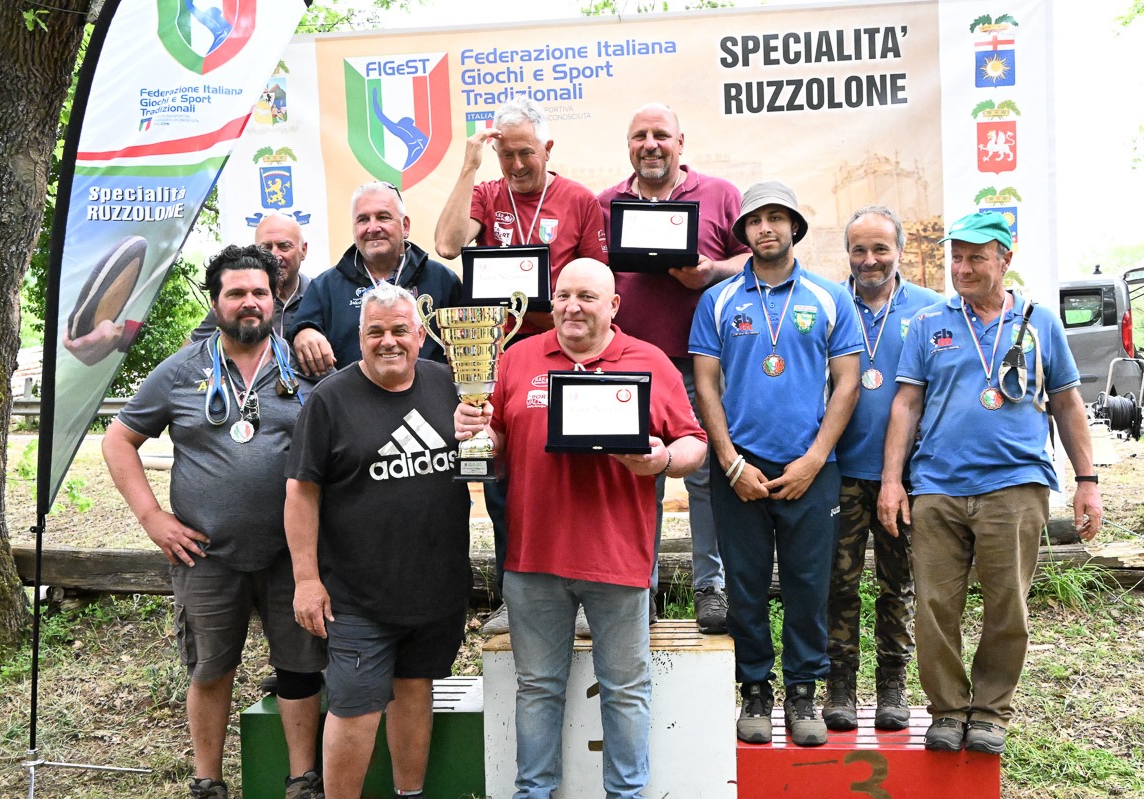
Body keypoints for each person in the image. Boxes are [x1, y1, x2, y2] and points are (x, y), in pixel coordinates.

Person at [454, 259, 706, 799]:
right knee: (537, 689)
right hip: (532, 559)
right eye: (564, 295)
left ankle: (627, 794)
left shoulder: (649, 361)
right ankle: (533, 792)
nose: (572, 307)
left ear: (613, 305)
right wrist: (474, 430)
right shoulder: (516, 358)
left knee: (625, 690)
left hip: (618, 559)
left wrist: (661, 460)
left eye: (587, 297)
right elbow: (495, 439)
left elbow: (693, 443)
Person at [102, 245, 326, 799]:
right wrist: (153, 518)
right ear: (216, 301)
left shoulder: (306, 369)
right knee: (209, 669)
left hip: (292, 557)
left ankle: (303, 781)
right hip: (205, 556)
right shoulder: (182, 370)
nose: (250, 302)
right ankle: (208, 782)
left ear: (276, 300)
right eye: (236, 293)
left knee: (300, 669)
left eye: (260, 292)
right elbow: (118, 440)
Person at [878, 211, 1102, 754]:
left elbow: (1067, 404)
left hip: (1015, 485)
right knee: (934, 606)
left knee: (1008, 606)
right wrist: (891, 481)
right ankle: (948, 711)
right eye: (956, 257)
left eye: (976, 258)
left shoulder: (1039, 322)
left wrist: (1087, 481)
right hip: (937, 486)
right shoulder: (928, 323)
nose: (963, 268)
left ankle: (990, 712)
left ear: (1005, 260)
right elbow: (906, 405)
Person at [689, 180, 863, 747]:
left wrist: (815, 459)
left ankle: (803, 691)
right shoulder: (718, 300)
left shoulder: (829, 297)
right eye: (755, 220)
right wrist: (729, 461)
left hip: (811, 466)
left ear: (794, 227)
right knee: (744, 583)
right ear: (743, 232)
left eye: (776, 217)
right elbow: (706, 386)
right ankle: (756, 690)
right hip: (740, 467)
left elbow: (847, 384)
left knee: (808, 584)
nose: (766, 228)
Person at [285, 282, 472, 799]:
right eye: (375, 332)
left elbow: (484, 451)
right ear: (359, 337)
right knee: (355, 708)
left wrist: (488, 437)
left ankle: (410, 794)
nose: (389, 341)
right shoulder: (330, 399)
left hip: (433, 590)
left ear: (420, 335)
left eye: (400, 330)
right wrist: (306, 579)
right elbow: (300, 492)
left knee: (415, 691)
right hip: (357, 596)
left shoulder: (449, 383)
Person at [434, 95, 607, 635]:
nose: (516, 164)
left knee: (573, 476)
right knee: (503, 478)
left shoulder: (579, 200)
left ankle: (585, 597)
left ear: (547, 147)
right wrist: (469, 165)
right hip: (501, 359)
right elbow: (446, 244)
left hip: (567, 356)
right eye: (505, 154)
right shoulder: (488, 194)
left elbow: (598, 282)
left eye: (526, 152)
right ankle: (516, 597)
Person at [597, 102, 749, 635]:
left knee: (705, 476)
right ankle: (639, 586)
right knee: (638, 475)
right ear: (628, 145)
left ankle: (710, 585)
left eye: (661, 134)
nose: (650, 144)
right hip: (626, 367)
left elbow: (751, 259)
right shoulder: (605, 204)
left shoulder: (719, 194)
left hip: (700, 363)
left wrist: (711, 272)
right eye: (639, 135)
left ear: (681, 143)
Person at [822, 206, 943, 732]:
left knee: (900, 584)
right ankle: (840, 685)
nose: (869, 260)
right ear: (847, 253)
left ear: (900, 250)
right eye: (858, 250)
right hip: (840, 472)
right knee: (839, 583)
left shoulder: (933, 310)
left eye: (880, 249)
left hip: (908, 477)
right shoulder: (828, 304)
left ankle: (892, 683)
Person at [291, 181, 460, 375]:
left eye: (383, 217)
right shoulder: (325, 287)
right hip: (353, 393)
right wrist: (304, 333)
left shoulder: (442, 280)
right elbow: (301, 327)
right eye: (363, 220)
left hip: (428, 393)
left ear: (405, 226)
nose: (373, 228)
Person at [191, 213, 310, 343]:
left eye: (284, 246)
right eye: (266, 247)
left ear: (303, 250)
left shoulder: (319, 295)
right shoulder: (235, 301)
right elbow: (192, 347)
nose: (275, 255)